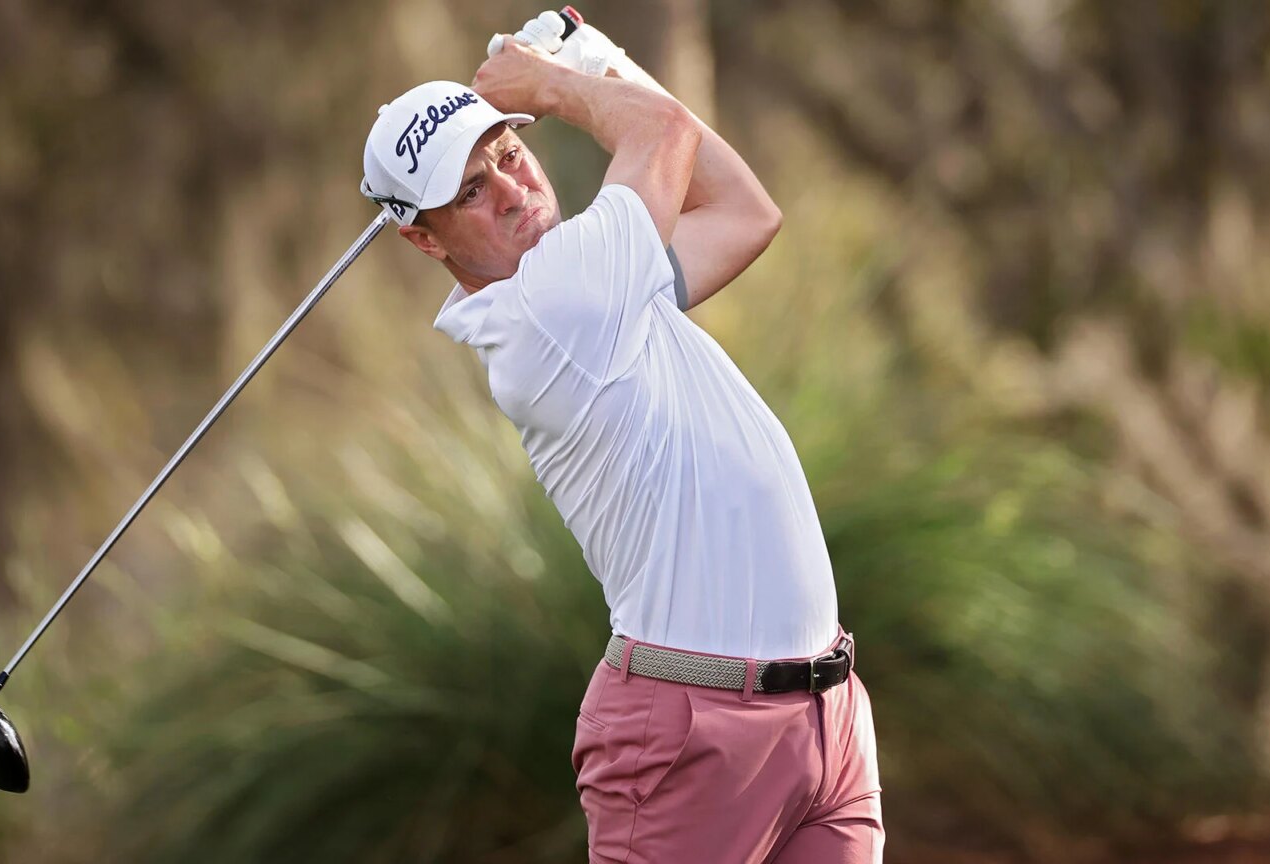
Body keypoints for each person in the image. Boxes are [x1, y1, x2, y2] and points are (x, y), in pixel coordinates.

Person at [359, 11, 882, 863]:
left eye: (509, 154)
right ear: (423, 237)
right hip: (693, 734)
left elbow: (745, 212)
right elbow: (667, 133)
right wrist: (557, 81)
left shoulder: (604, 287)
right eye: (470, 192)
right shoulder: (552, 307)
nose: (513, 189)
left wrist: (595, 57)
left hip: (824, 713)